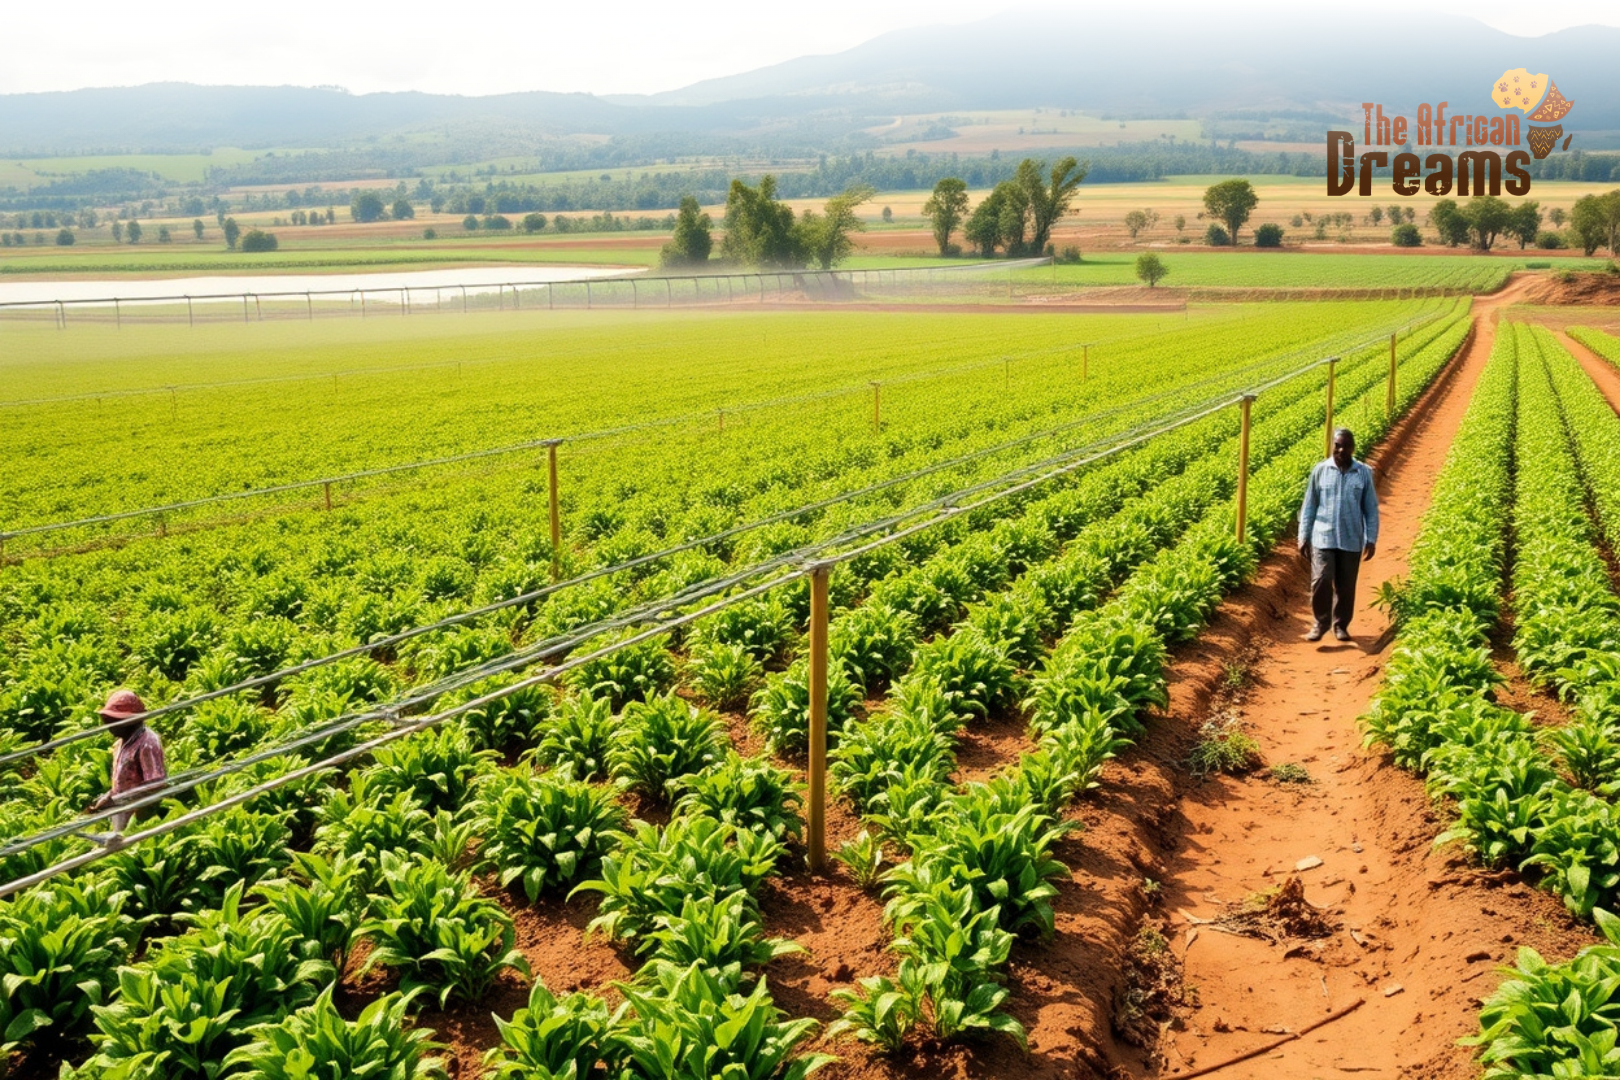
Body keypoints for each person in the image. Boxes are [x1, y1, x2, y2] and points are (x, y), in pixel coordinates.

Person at [1297, 428, 1379, 642]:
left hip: (1351, 538)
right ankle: (1320, 622)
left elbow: (1370, 508)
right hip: (1323, 536)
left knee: (1346, 585)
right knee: (1321, 579)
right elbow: (1309, 505)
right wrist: (1303, 536)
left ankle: (1340, 624)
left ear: (1352, 448)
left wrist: (1371, 538)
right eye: (1337, 445)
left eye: (1345, 446)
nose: (1341, 450)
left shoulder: (1363, 472)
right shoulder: (1320, 470)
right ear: (1332, 446)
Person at [88, 689, 167, 840]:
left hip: (140, 815)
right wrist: (109, 797)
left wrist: (119, 800)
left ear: (130, 721)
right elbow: (123, 781)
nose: (109, 727)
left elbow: (155, 786)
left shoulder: (147, 743)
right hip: (122, 811)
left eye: (113, 722)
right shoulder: (120, 743)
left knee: (133, 846)